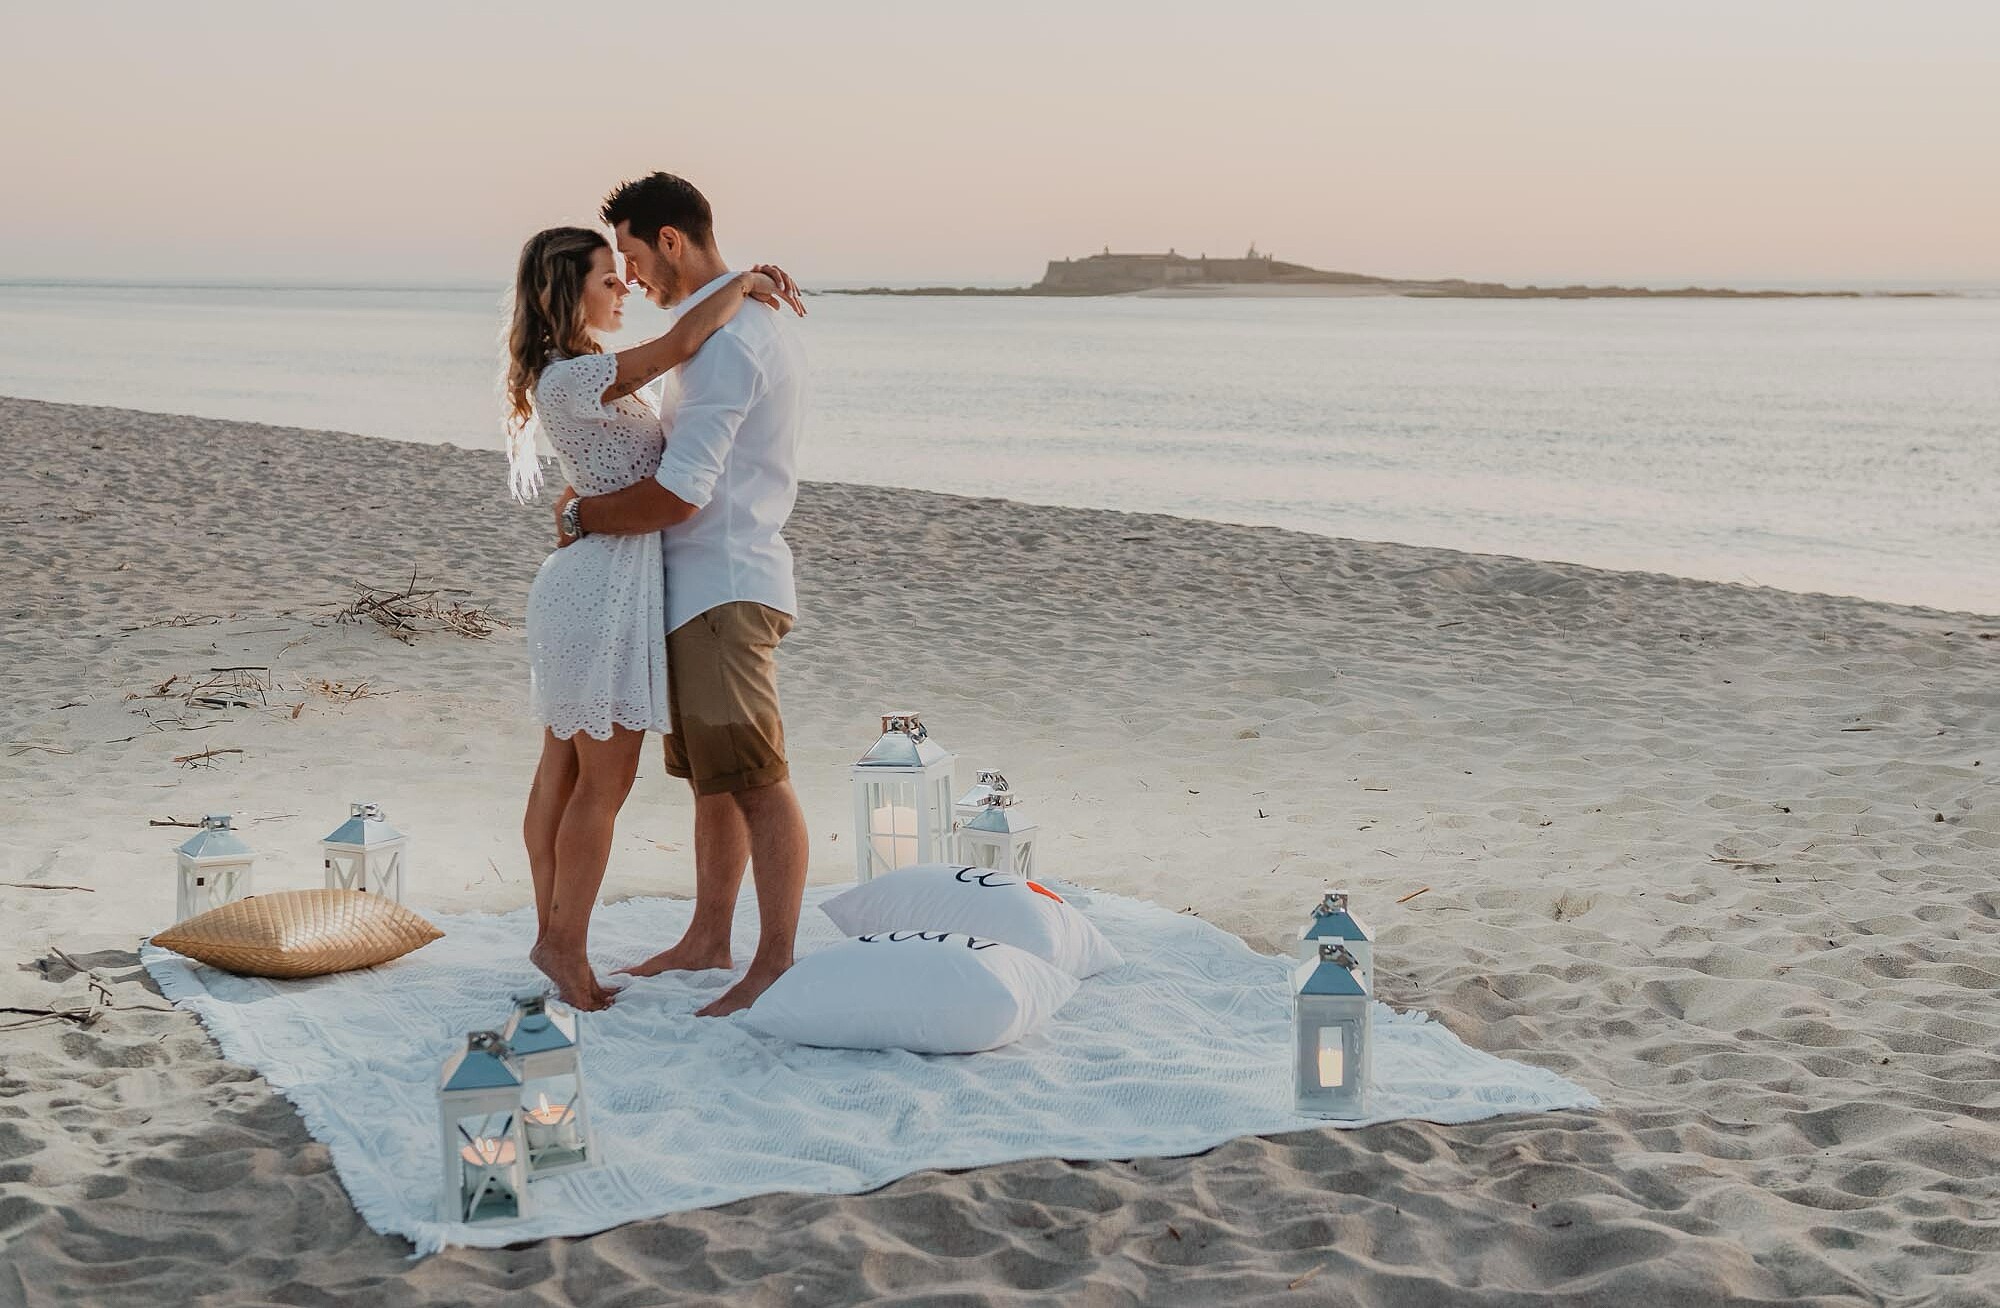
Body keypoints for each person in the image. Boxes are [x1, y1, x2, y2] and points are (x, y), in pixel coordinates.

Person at [505, 223, 802, 1010]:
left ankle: (554, 935)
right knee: (598, 784)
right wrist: (742, 284)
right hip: (600, 590)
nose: (623, 287)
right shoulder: (576, 376)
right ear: (564, 291)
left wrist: (581, 508)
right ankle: (562, 943)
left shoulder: (570, 373)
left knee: (564, 773)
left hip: (596, 585)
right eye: (608, 277)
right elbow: (677, 346)